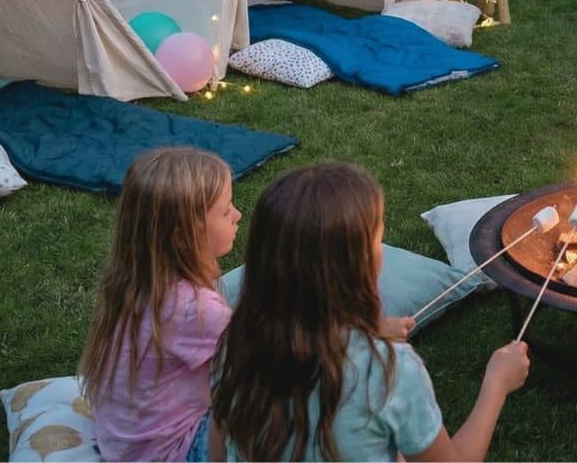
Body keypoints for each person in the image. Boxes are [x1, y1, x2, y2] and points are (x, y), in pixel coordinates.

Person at [212, 161, 529, 461]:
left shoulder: (233, 345)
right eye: (377, 240)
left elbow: (218, 453)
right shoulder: (389, 369)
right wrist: (497, 383)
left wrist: (368, 332)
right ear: (359, 264)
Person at [79, 148, 241, 462]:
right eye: (225, 211)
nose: (238, 214)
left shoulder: (136, 282)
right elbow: (263, 367)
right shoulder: (195, 309)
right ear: (182, 236)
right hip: (173, 452)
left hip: (125, 443)